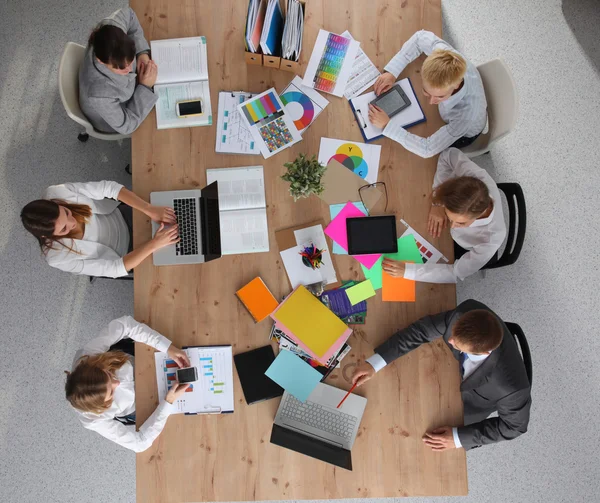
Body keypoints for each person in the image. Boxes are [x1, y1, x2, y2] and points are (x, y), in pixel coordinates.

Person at [352, 299, 531, 451]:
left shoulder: (512, 390)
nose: (450, 340)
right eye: (453, 335)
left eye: (457, 344)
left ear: (482, 353)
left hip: (468, 408)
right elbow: (421, 331)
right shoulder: (464, 313)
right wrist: (374, 363)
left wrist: (456, 438)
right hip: (448, 378)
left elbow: (514, 428)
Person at [65, 316, 190, 452]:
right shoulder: (93, 420)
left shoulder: (89, 355)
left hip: (130, 360)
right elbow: (140, 443)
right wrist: (168, 402)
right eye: (111, 393)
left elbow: (126, 325)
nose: (117, 383)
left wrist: (167, 347)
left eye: (109, 374)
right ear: (101, 407)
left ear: (96, 365)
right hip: (134, 405)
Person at [382, 148, 506, 283]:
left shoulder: (491, 240)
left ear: (478, 215)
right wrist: (437, 205)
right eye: (450, 216)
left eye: (461, 223)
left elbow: (456, 273)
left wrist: (408, 271)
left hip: (466, 248)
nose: (452, 226)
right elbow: (448, 155)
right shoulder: (474, 178)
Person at [21, 180, 178, 278]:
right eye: (64, 229)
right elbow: (114, 269)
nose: (72, 222)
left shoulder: (56, 193)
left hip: (128, 216)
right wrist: (154, 244)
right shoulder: (57, 257)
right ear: (47, 237)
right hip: (133, 253)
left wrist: (149, 209)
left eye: (67, 213)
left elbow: (109, 188)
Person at [368, 30, 487, 158]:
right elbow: (420, 37)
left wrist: (387, 126)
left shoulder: (465, 115)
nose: (431, 102)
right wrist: (392, 72)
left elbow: (427, 149)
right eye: (426, 91)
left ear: (456, 85)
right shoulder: (444, 55)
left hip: (465, 134)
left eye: (440, 96)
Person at [79, 8, 158, 134]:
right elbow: (127, 125)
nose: (129, 70)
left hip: (131, 93)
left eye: (131, 60)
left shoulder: (111, 29)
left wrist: (142, 53)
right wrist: (145, 88)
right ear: (101, 61)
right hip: (114, 118)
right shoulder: (100, 93)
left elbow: (129, 14)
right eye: (121, 68)